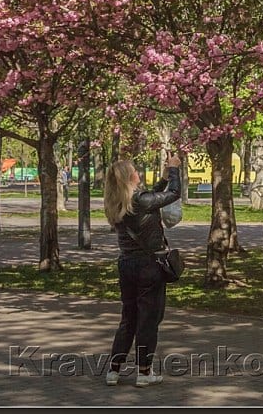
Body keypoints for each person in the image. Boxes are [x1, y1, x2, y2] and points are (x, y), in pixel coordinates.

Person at [104, 153, 182, 387]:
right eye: (135, 170)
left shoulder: (118, 201)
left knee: (128, 318)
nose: (138, 173)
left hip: (126, 265)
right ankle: (144, 371)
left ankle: (114, 370)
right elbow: (173, 195)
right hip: (149, 266)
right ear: (130, 177)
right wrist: (175, 170)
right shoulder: (139, 200)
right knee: (148, 319)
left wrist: (163, 178)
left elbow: (152, 198)